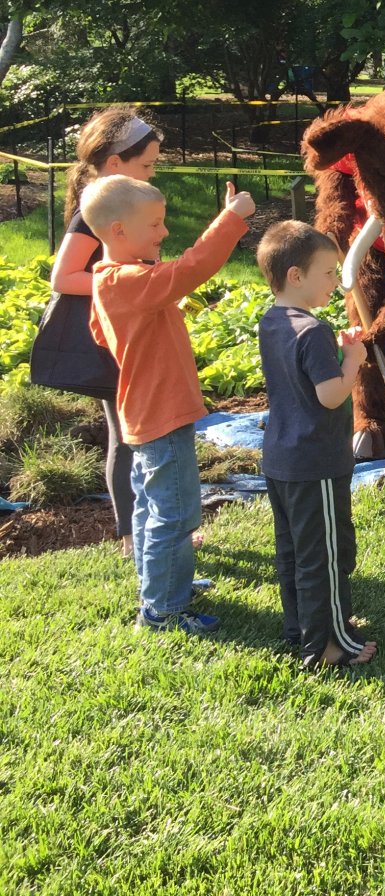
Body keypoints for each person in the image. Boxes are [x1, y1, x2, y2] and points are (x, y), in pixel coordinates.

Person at [83, 174, 255, 633]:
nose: (164, 233)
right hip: (161, 416)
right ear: (118, 230)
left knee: (149, 506)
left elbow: (102, 334)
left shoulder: (110, 281)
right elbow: (189, 271)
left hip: (145, 412)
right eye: (155, 225)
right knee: (176, 512)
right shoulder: (127, 280)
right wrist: (230, 220)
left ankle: (159, 583)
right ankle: (162, 609)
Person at [255, 220, 375, 669]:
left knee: (293, 552)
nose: (335, 282)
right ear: (296, 276)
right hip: (316, 464)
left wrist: (336, 355)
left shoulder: (273, 321)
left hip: (281, 459)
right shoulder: (314, 331)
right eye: (328, 273)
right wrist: (353, 360)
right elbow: (330, 395)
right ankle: (330, 644)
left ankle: (301, 628)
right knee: (324, 555)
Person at [47, 107, 162, 556]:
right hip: (107, 339)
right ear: (116, 164)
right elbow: (63, 277)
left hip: (125, 331)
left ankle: (149, 526)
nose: (153, 173)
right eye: (148, 165)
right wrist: (130, 283)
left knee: (137, 431)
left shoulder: (120, 201)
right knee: (126, 433)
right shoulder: (94, 212)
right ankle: (133, 535)